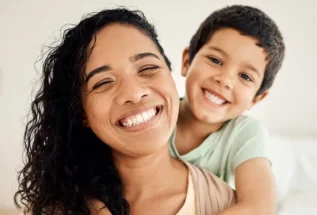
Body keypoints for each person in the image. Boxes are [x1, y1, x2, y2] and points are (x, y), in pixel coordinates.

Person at [14, 8, 235, 215]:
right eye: (103, 83)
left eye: (148, 68)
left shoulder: (226, 203)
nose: (134, 93)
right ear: (82, 113)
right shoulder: (52, 207)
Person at [170, 5, 285, 215]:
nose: (225, 80)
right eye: (215, 60)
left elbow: (259, 208)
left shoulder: (245, 133)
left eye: (245, 76)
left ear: (257, 98)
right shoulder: (157, 113)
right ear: (187, 61)